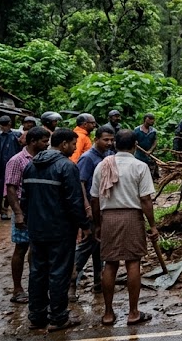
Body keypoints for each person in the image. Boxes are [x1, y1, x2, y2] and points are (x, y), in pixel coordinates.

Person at [22, 127, 90, 331]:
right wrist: (84, 225)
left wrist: (30, 221)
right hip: (60, 230)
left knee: (37, 271)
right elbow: (74, 201)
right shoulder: (67, 167)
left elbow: (25, 199)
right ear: (63, 144)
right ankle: (58, 318)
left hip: (36, 229)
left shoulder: (31, 165)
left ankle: (37, 316)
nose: (75, 148)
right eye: (73, 144)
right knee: (59, 272)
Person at [90, 129, 157, 326]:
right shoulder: (140, 166)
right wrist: (153, 225)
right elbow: (145, 199)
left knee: (110, 264)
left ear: (115, 144)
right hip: (132, 216)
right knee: (133, 262)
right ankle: (133, 312)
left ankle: (108, 313)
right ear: (135, 145)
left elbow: (94, 199)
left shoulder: (103, 165)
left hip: (108, 217)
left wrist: (97, 224)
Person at [5, 126, 52, 304]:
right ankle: (17, 289)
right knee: (21, 247)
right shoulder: (17, 160)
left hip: (41, 210)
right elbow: (11, 188)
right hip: (24, 209)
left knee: (37, 248)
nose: (47, 144)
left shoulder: (44, 159)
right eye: (44, 141)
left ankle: (36, 284)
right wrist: (18, 213)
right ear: (33, 141)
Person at [71, 125, 114, 301]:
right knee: (87, 245)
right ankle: (71, 282)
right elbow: (80, 183)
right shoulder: (88, 158)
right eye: (106, 140)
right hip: (91, 206)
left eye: (111, 140)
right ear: (96, 139)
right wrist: (87, 207)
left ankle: (98, 281)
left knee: (99, 245)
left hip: (103, 207)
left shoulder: (108, 155)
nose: (109, 143)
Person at [0, 115, 22, 219]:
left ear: (9, 124)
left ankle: (5, 208)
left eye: (5, 125)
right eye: (2, 125)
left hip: (12, 166)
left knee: (10, 186)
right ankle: (1, 209)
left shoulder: (16, 135)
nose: (3, 127)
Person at [133, 113, 159, 179]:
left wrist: (150, 150)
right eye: (150, 119)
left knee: (149, 171)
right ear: (145, 120)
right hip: (139, 154)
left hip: (149, 154)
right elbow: (133, 140)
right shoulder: (137, 130)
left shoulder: (153, 131)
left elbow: (155, 142)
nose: (152, 121)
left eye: (153, 119)